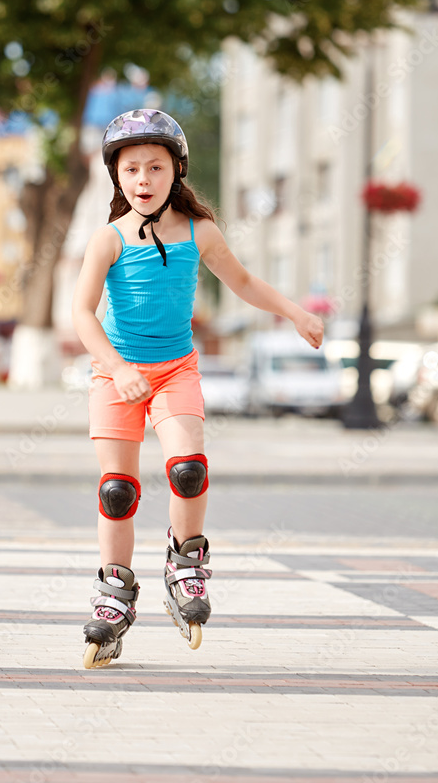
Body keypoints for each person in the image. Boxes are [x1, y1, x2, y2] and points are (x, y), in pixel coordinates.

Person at [71, 109, 323, 668]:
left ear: (176, 171)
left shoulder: (198, 232)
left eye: (154, 167)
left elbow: (243, 282)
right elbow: (82, 315)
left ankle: (184, 564)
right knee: (118, 489)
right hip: (117, 374)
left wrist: (293, 311)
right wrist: (116, 367)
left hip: (175, 370)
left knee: (188, 469)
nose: (143, 179)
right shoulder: (106, 240)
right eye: (131, 168)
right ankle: (115, 594)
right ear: (116, 176)